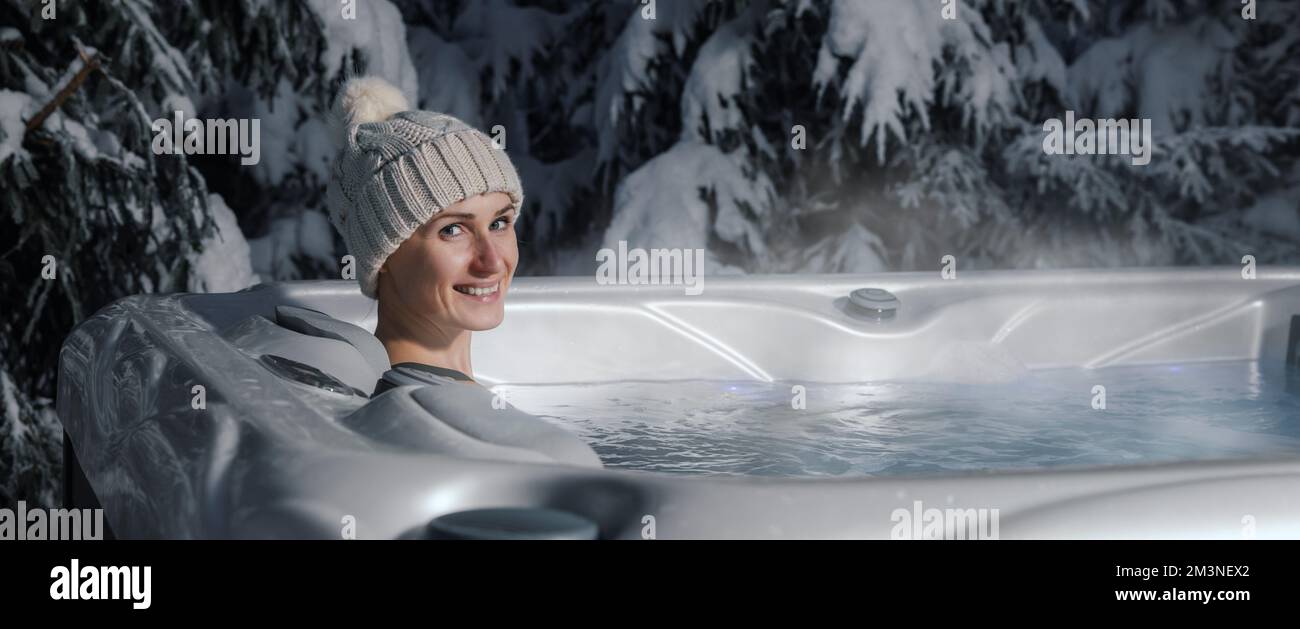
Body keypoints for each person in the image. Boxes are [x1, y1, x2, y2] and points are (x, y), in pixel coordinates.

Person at [324, 76, 523, 396]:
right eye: (452, 229)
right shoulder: (419, 421)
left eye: (499, 223)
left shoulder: (450, 408)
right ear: (382, 253)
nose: (493, 261)